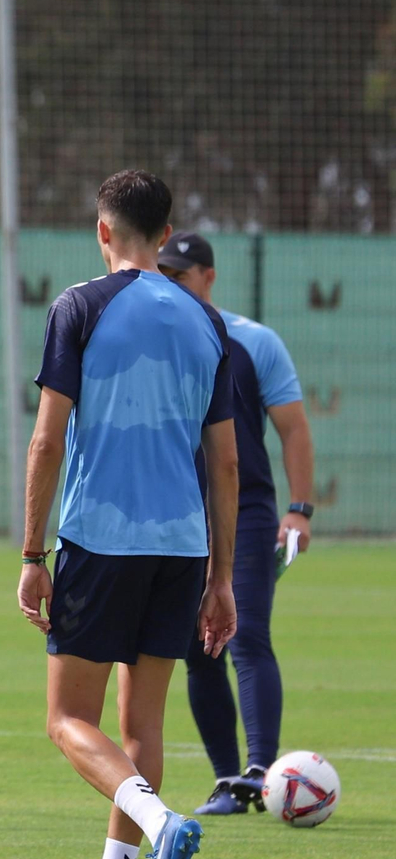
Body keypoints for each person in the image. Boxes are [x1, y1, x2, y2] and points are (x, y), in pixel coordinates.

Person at [18, 170, 238, 859]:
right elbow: (227, 465)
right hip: (181, 547)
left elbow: (47, 439)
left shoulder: (78, 305)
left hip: (100, 539)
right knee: (141, 723)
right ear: (167, 228)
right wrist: (221, 577)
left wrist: (32, 550)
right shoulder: (207, 323)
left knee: (67, 718)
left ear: (103, 231)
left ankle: (159, 819)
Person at [157, 233, 316, 814]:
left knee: (245, 634)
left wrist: (300, 507)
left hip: (245, 512)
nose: (171, 284)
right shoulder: (159, 340)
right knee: (197, 650)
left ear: (209, 276)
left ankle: (260, 771)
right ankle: (228, 780)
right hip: (179, 515)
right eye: (163, 275)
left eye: (181, 275)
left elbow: (293, 428)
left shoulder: (254, 341)